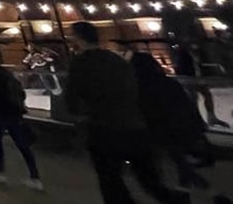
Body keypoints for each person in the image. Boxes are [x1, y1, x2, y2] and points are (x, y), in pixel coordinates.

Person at [66, 21, 190, 204]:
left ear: (78, 38)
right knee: (150, 181)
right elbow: (134, 88)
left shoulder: (81, 63)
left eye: (72, 35)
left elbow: (72, 97)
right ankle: (176, 200)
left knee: (110, 181)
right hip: (134, 126)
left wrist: (78, 113)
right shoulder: (117, 59)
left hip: (104, 129)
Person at [130, 53, 209, 190]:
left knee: (166, 151)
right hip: (176, 122)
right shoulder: (167, 82)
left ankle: (173, 180)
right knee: (174, 151)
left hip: (159, 125)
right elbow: (184, 103)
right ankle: (186, 176)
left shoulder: (140, 86)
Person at [0, 45, 42, 191]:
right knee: (22, 144)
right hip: (13, 112)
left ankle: (0, 172)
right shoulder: (2, 71)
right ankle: (35, 177)